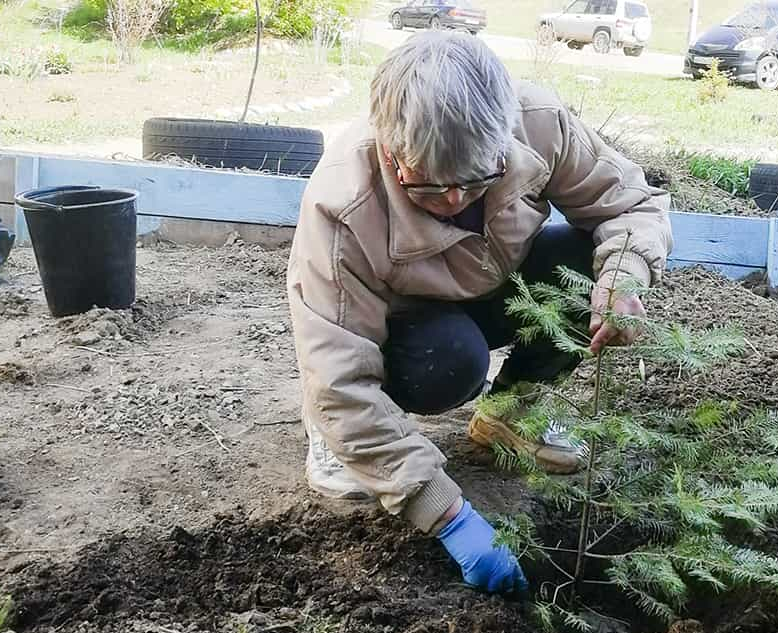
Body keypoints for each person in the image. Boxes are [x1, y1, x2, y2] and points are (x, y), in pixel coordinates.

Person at [287, 31, 672, 594]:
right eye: (428, 188)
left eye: (475, 183)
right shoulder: (344, 206)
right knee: (449, 363)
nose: (453, 201)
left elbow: (632, 203)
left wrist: (621, 279)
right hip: (404, 325)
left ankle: (511, 412)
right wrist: (448, 516)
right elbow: (339, 376)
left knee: (577, 258)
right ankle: (328, 434)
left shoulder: (537, 123)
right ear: (392, 152)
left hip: (492, 283)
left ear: (503, 138)